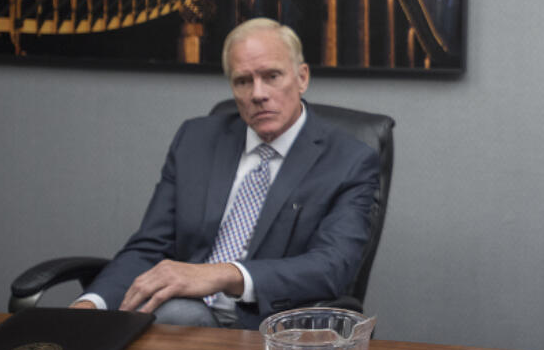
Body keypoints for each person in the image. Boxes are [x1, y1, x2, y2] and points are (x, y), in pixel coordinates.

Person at [72, 18, 379, 329]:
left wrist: (223, 274)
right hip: (177, 322)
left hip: (270, 334)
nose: (258, 94)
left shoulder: (349, 160)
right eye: (243, 81)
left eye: (272, 76)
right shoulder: (195, 139)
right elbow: (150, 247)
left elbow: (332, 266)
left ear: (302, 78)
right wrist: (93, 303)